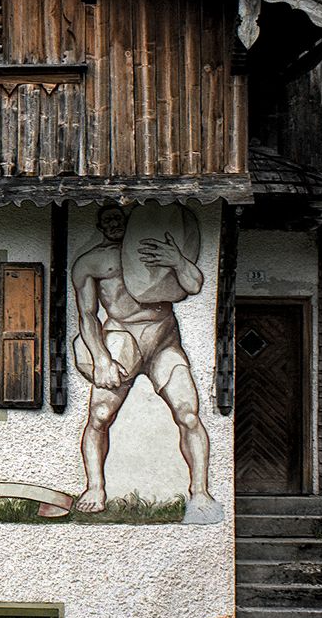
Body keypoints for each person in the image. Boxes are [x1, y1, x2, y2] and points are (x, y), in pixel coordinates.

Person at [70, 204, 220, 522]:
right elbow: (87, 316)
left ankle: (200, 492)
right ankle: (95, 488)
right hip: (121, 338)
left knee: (188, 413)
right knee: (99, 415)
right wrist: (101, 359)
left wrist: (177, 260)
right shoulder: (90, 262)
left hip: (163, 339)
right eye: (107, 219)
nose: (113, 223)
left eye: (118, 217)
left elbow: (194, 284)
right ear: (99, 225)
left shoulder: (154, 250)